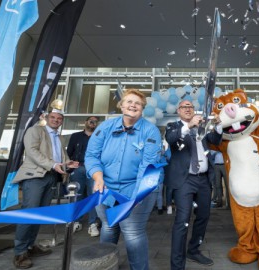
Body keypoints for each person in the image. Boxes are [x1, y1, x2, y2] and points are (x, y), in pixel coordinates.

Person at [85, 89, 162, 270]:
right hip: (105, 188)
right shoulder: (105, 127)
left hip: (134, 188)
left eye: (137, 103)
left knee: (132, 232)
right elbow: (91, 156)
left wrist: (136, 197)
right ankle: (105, 266)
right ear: (121, 106)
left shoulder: (150, 131)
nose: (133, 105)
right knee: (108, 226)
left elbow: (148, 166)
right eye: (129, 101)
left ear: (142, 109)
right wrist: (97, 177)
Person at [12, 109, 79, 269]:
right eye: (53, 117)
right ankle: (19, 252)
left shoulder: (58, 137)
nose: (56, 120)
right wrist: (54, 165)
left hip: (51, 177)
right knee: (30, 212)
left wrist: (67, 163)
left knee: (40, 214)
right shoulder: (35, 130)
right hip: (35, 176)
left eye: (59, 118)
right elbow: (32, 152)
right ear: (47, 118)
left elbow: (61, 157)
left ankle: (30, 246)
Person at [165, 99, 222, 270]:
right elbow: (171, 139)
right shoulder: (173, 126)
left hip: (203, 179)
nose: (188, 109)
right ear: (178, 110)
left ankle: (194, 250)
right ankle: (177, 265)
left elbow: (215, 140)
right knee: (182, 220)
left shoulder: (201, 128)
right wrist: (189, 126)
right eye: (184, 106)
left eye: (190, 106)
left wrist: (218, 126)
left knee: (203, 217)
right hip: (184, 181)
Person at [67, 116, 100, 237]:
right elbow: (69, 152)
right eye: (91, 121)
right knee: (77, 195)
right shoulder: (75, 136)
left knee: (94, 195)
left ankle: (93, 223)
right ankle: (76, 221)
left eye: (95, 122)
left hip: (94, 169)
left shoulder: (99, 136)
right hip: (78, 167)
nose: (93, 123)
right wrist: (70, 164)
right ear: (85, 122)